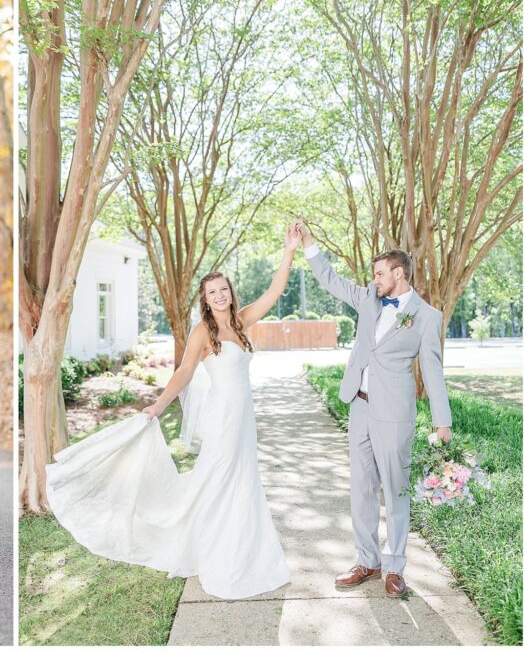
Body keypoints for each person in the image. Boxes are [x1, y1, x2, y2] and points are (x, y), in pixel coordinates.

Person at [44, 225, 300, 599]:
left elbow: (275, 291)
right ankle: (216, 549)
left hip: (244, 419)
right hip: (223, 420)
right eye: (212, 292)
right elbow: (183, 372)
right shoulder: (203, 332)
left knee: (243, 480)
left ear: (230, 292)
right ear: (205, 299)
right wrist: (157, 406)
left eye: (223, 289)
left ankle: (246, 547)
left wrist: (289, 250)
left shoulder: (243, 321)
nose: (219, 296)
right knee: (219, 480)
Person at [295, 219, 452, 598]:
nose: (375, 278)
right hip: (359, 407)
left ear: (399, 274)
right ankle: (367, 560)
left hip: (395, 413)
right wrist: (310, 245)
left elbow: (431, 368)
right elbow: (332, 281)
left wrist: (441, 421)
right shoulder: (368, 298)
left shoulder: (426, 316)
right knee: (362, 489)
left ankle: (395, 567)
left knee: (396, 490)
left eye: (380, 273)